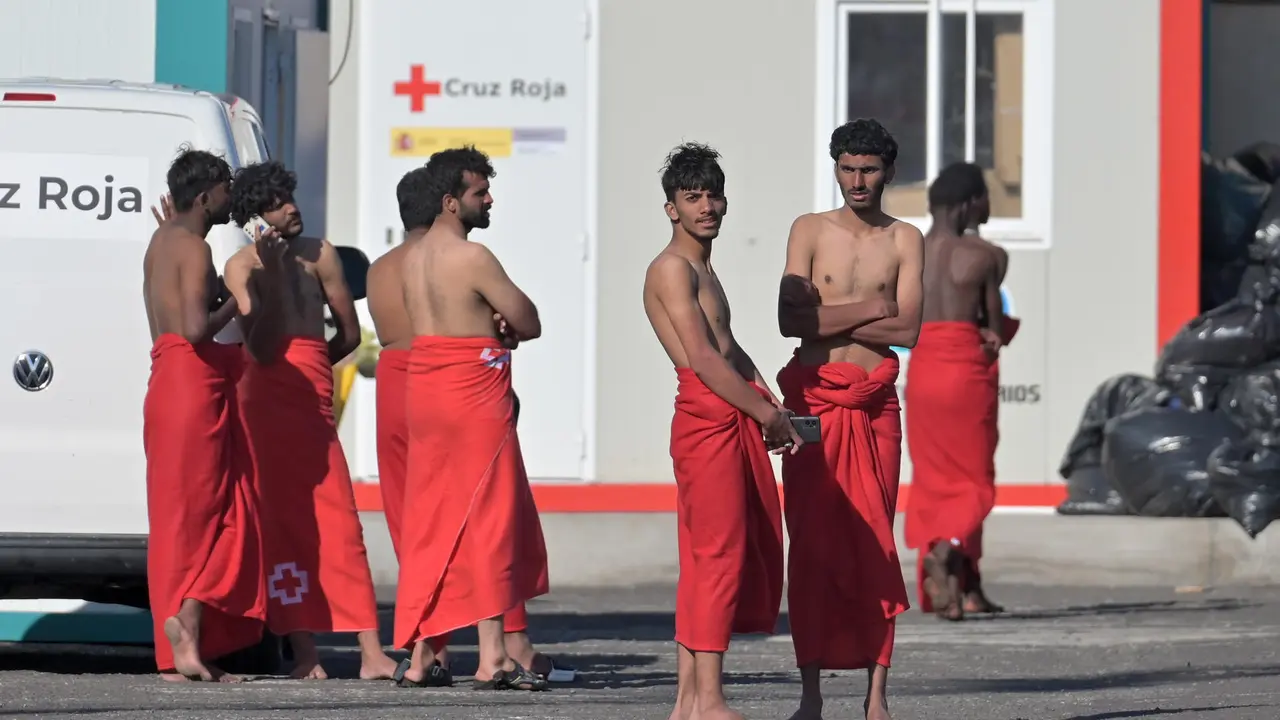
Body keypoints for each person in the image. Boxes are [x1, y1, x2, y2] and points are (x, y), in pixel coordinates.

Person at [367, 164, 576, 688]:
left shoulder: (407, 262)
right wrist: (500, 324)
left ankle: (419, 656)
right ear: (450, 202)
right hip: (471, 395)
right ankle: (493, 656)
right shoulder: (473, 256)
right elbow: (528, 320)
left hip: (425, 391)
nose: (489, 201)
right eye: (481, 193)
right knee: (488, 520)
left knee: (430, 522)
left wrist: (487, 320)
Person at [222, 160, 397, 681]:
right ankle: (306, 655)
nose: (290, 208)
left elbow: (347, 332)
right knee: (283, 526)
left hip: (311, 397)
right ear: (255, 216)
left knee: (340, 521)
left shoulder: (320, 254)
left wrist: (314, 360)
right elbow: (259, 345)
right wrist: (273, 277)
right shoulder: (241, 266)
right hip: (266, 399)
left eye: (290, 197)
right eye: (276, 203)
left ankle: (371, 652)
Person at [776, 118, 924, 720]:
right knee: (809, 546)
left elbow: (908, 329)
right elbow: (791, 321)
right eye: (847, 168)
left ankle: (876, 696)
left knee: (874, 545)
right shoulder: (809, 230)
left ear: (888, 171)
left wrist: (829, 314)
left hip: (874, 405)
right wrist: (871, 307)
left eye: (868, 169)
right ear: (835, 167)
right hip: (814, 403)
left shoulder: (906, 239)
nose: (856, 180)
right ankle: (810, 695)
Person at [641, 142, 795, 720]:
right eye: (692, 196)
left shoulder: (704, 267)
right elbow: (704, 360)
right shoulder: (670, 268)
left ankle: (688, 702)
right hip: (707, 418)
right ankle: (708, 699)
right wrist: (766, 415)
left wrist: (763, 391)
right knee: (718, 557)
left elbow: (730, 348)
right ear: (670, 209)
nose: (706, 206)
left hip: (729, 408)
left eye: (713, 194)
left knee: (712, 557)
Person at [141, 149, 268, 682]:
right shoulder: (192, 248)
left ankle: (178, 650)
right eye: (224, 189)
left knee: (177, 523)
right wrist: (238, 303)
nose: (230, 198)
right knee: (219, 516)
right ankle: (186, 628)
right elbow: (196, 329)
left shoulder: (161, 242)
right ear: (202, 196)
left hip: (168, 385)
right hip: (193, 387)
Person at [904, 163, 1015, 620]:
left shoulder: (910, 253)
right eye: (986, 196)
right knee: (974, 479)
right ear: (968, 203)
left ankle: (965, 586)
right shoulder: (985, 255)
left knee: (934, 480)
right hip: (966, 371)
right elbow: (993, 326)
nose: (990, 206)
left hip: (925, 369)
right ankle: (950, 552)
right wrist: (997, 335)